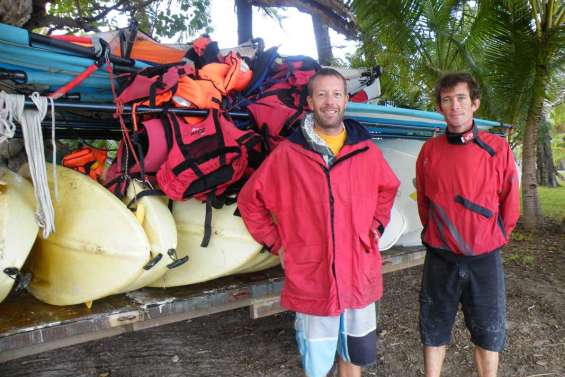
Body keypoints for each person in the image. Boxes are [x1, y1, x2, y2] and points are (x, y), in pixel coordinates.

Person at [237, 68, 400, 377]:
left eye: (336, 94)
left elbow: (387, 189)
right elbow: (250, 201)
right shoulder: (289, 154)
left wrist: (376, 226)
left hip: (357, 270)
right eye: (322, 94)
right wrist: (277, 243)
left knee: (354, 354)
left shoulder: (364, 150)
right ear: (310, 101)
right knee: (317, 362)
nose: (330, 102)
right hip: (313, 274)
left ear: (346, 100)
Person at [415, 73, 520, 377]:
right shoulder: (429, 152)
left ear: (475, 103)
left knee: (489, 334)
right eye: (446, 100)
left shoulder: (496, 149)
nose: (454, 106)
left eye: (461, 98)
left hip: (484, 260)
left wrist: (495, 236)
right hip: (440, 257)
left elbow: (510, 202)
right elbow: (425, 202)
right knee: (433, 331)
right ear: (440, 107)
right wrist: (439, 234)